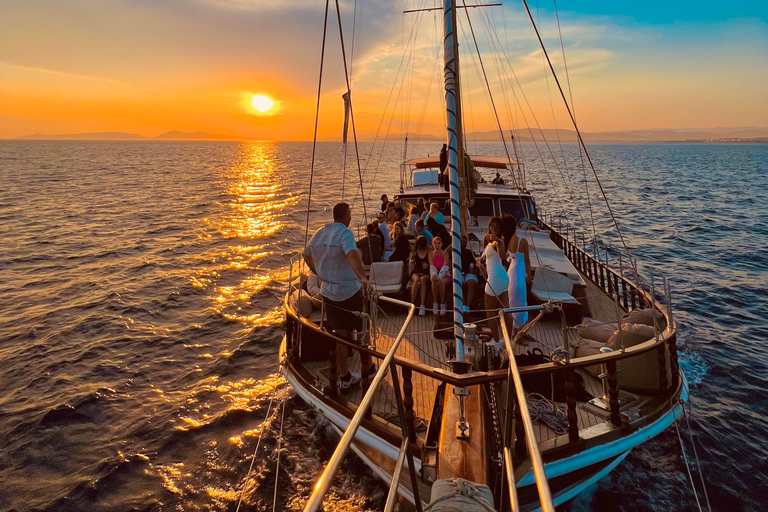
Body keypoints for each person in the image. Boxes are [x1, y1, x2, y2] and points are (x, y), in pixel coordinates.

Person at [304, 202, 369, 391]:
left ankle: (345, 376)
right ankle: (369, 369)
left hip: (329, 293)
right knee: (364, 329)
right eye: (350, 213)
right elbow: (351, 254)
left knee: (341, 334)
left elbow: (305, 254)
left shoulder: (319, 234)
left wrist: (318, 271)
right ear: (346, 215)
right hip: (349, 291)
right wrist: (363, 278)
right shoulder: (345, 233)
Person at [504, 216, 532, 334]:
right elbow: (526, 260)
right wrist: (529, 275)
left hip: (510, 272)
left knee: (512, 300)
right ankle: (516, 331)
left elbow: (507, 259)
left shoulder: (506, 241)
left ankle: (515, 329)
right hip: (519, 272)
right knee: (521, 302)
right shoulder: (523, 241)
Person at [482, 236, 510, 343]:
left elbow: (502, 256)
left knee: (489, 310)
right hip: (502, 277)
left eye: (495, 228)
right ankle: (508, 340)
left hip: (495, 279)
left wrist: (498, 241)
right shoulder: (491, 242)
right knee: (505, 309)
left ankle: (496, 340)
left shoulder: (497, 242)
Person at [410, 235, 432, 316]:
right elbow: (411, 261)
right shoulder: (415, 250)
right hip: (417, 270)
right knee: (416, 280)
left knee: (422, 279)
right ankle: (411, 305)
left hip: (426, 271)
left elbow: (432, 262)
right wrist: (412, 260)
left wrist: (428, 266)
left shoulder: (429, 249)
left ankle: (422, 305)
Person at [429, 237, 451, 315]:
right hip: (435, 273)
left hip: (445, 275)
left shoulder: (445, 254)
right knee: (434, 280)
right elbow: (432, 266)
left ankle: (442, 303)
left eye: (439, 243)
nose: (437, 245)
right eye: (435, 243)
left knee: (441, 282)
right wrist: (434, 275)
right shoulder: (431, 254)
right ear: (433, 244)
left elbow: (445, 267)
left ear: (441, 244)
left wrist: (440, 276)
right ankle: (435, 303)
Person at [460, 235, 478, 312]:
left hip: (468, 273)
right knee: (458, 283)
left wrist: (474, 270)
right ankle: (463, 305)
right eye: (461, 241)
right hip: (458, 273)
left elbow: (476, 266)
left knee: (471, 283)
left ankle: (467, 306)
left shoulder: (471, 252)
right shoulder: (453, 252)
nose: (463, 243)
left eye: (464, 242)